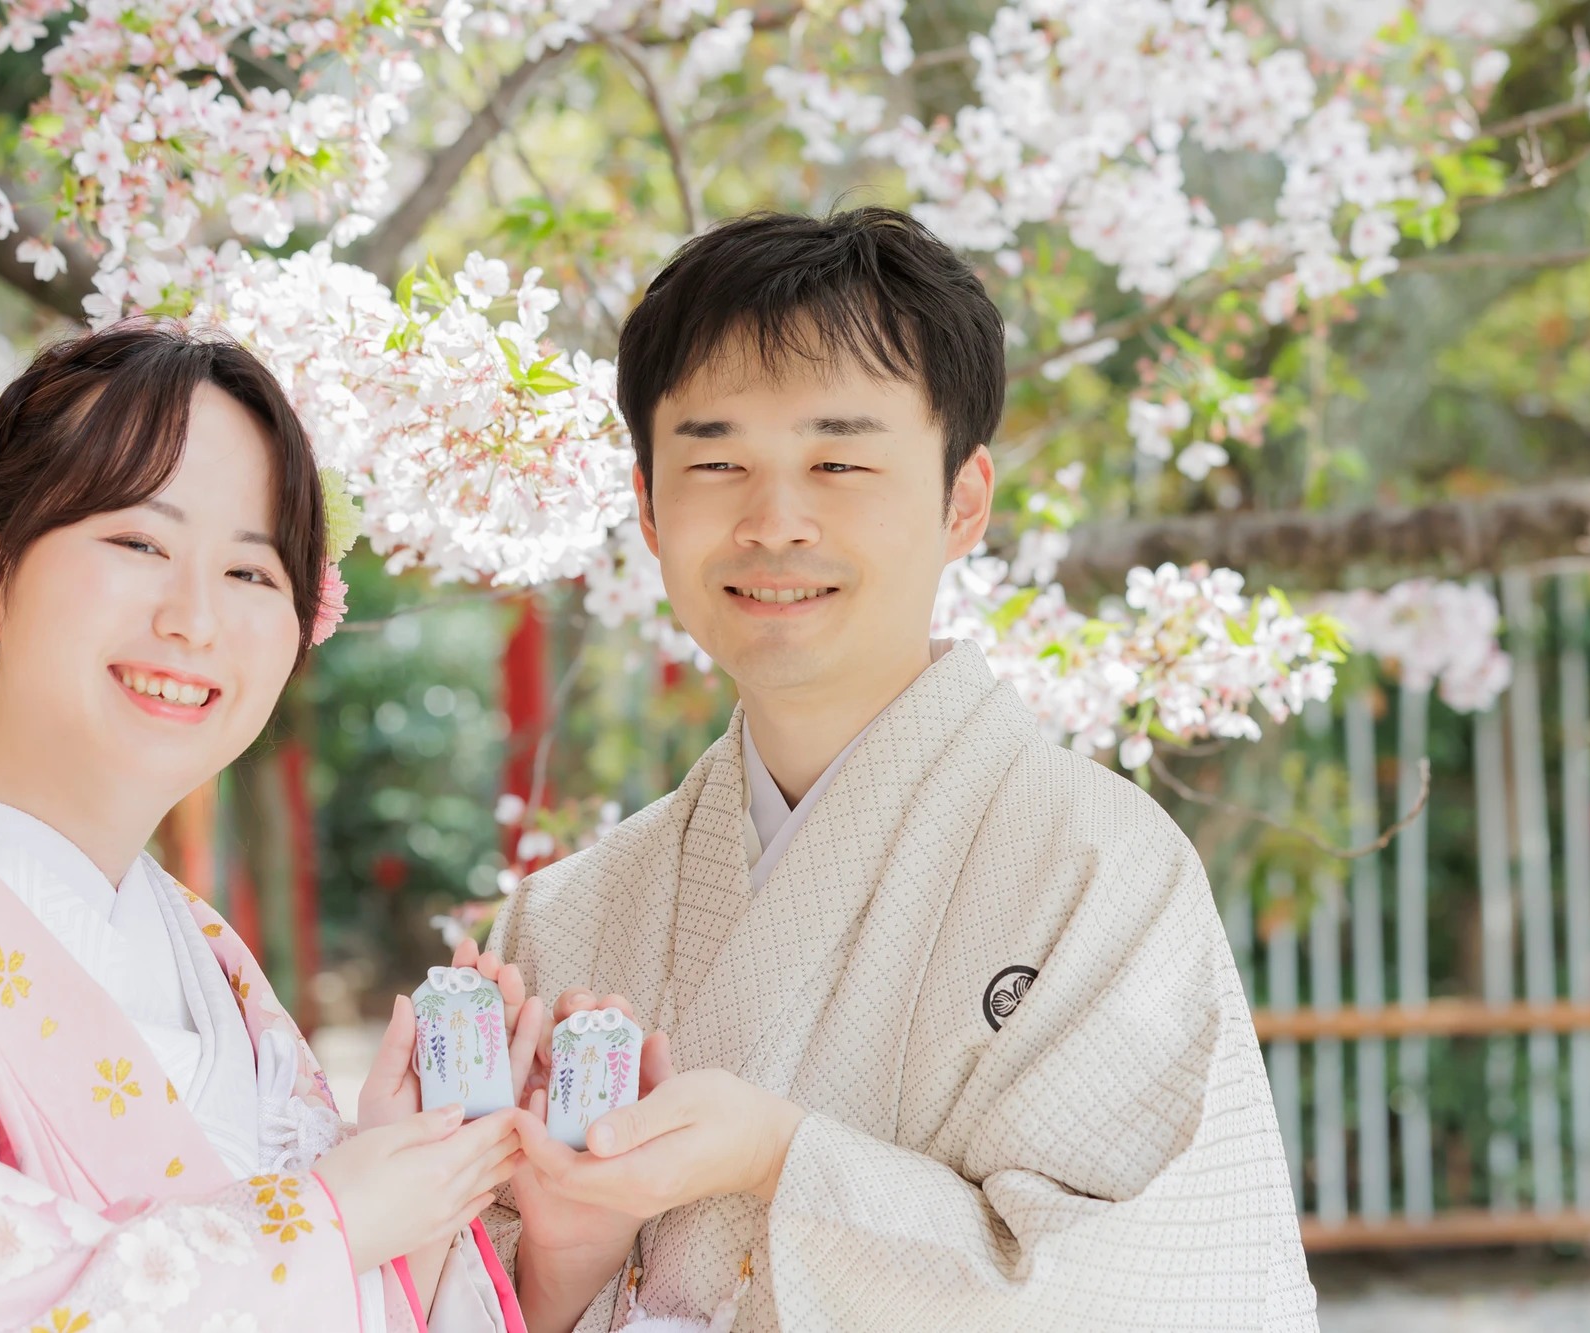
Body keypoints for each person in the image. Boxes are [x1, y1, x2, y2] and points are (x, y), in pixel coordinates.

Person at [476, 209, 1319, 1332]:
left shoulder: (1092, 867)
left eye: (839, 460)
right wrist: (564, 1262)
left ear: (961, 500)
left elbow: (1134, 1287)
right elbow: (456, 1289)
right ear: (645, 504)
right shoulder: (566, 916)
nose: (773, 521)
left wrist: (782, 1160)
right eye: (716, 461)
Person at [0, 324, 539, 1332]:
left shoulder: (203, 953)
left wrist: (406, 1181)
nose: (195, 619)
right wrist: (322, 1225)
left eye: (250, 573)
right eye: (138, 542)